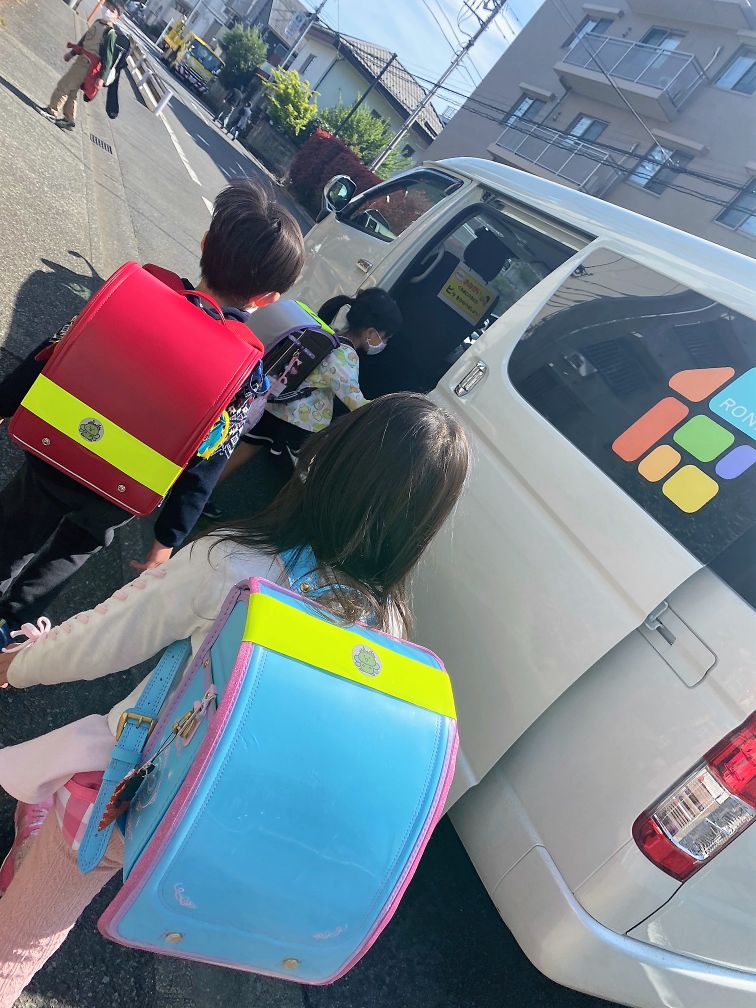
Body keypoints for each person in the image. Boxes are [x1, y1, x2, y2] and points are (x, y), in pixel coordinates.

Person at [0, 393, 469, 1003]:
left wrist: (18, 664)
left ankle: (36, 843)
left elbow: (103, 640)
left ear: (326, 459)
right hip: (217, 828)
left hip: (128, 792)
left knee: (24, 934)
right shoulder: (385, 628)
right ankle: (37, 829)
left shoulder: (233, 560)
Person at [0, 179, 305, 647]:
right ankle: (10, 631)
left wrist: (6, 402)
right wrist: (167, 537)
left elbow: (56, 351)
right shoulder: (244, 370)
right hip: (122, 488)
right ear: (268, 298)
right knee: (72, 551)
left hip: (59, 444)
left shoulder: (136, 293)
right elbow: (209, 460)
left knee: (16, 527)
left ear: (204, 243)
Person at [212, 288, 403, 498]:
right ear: (371, 333)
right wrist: (393, 411)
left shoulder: (330, 336)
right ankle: (280, 510)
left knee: (241, 450)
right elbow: (355, 402)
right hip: (299, 425)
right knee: (304, 476)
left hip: (276, 404)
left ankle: (204, 490)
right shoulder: (346, 356)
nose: (383, 344)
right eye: (385, 338)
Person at [37, 0, 123, 132]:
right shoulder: (97, 22)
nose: (107, 11)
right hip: (82, 59)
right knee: (72, 91)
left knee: (65, 85)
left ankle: (52, 110)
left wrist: (102, 78)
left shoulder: (110, 33)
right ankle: (69, 119)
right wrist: (72, 53)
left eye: (112, 11)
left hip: (88, 64)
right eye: (107, 7)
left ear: (117, 18)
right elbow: (84, 40)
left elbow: (108, 58)